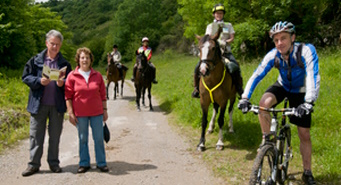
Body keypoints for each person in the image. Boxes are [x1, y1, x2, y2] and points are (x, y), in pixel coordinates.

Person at [238, 21, 320, 185]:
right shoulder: (273, 55)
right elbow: (256, 75)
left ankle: (307, 172)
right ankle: (267, 142)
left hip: (301, 90)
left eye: (283, 38)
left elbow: (313, 76)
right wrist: (245, 98)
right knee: (264, 103)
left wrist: (308, 103)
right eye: (276, 40)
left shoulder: (306, 51)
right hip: (282, 85)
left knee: (304, 134)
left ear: (293, 38)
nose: (279, 43)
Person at [21, 30, 72, 176]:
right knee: (36, 135)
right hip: (38, 104)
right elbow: (25, 77)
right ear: (46, 43)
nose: (55, 47)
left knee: (55, 136)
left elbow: (71, 82)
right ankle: (33, 164)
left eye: (57, 44)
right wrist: (38, 81)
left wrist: (64, 84)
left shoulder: (65, 64)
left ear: (60, 45)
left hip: (57, 106)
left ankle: (54, 163)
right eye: (52, 43)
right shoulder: (36, 60)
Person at [65, 47, 109, 173]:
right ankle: (84, 163)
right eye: (82, 57)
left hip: (97, 112)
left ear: (91, 60)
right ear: (78, 60)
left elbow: (102, 95)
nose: (85, 60)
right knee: (83, 138)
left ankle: (101, 163)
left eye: (87, 57)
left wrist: (105, 110)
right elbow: (68, 96)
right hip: (80, 113)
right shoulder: (71, 76)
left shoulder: (98, 76)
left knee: (99, 138)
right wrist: (70, 113)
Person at [191, 3, 243, 98]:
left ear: (223, 14)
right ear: (214, 14)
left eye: (221, 13)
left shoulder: (228, 25)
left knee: (235, 66)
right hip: (213, 52)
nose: (219, 15)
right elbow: (207, 39)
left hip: (225, 51)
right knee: (197, 67)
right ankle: (196, 88)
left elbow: (232, 38)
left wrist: (225, 42)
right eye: (217, 13)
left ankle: (239, 88)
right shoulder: (210, 26)